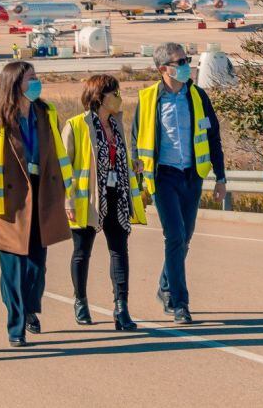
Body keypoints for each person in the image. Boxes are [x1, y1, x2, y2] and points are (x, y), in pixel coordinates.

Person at [0, 61, 72, 346]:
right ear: (15, 84)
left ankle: (28, 308)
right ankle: (16, 326)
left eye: (37, 77)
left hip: (43, 198)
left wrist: (69, 197)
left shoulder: (46, 113)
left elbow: (59, 158)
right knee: (13, 268)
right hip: (10, 205)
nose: (37, 82)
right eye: (31, 78)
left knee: (36, 268)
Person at [131, 42, 227, 324]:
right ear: (164, 69)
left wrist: (220, 177)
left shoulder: (197, 96)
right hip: (164, 177)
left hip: (192, 175)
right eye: (180, 61)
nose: (187, 65)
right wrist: (139, 180)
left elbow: (214, 138)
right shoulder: (149, 98)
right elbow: (136, 140)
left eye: (187, 59)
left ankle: (164, 286)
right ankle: (179, 302)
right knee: (174, 236)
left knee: (184, 238)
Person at [62, 73, 146, 331]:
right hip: (87, 200)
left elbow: (115, 159)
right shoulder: (76, 125)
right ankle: (80, 301)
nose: (120, 97)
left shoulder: (117, 124)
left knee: (119, 251)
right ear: (100, 97)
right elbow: (64, 167)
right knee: (82, 253)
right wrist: (68, 199)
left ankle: (121, 308)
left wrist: (133, 166)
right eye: (115, 93)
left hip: (116, 196)